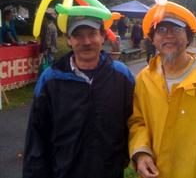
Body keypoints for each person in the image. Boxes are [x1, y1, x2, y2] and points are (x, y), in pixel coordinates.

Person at [128, 9, 196, 177]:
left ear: (189, 37)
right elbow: (138, 121)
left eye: (176, 29)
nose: (169, 35)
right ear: (153, 38)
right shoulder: (145, 78)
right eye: (161, 29)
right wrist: (141, 152)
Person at [23, 16, 135, 178]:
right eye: (78, 35)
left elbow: (133, 122)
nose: (86, 41)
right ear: (68, 39)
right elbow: (37, 136)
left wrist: (124, 157)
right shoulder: (51, 79)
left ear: (103, 36)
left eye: (92, 33)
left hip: (109, 172)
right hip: (63, 172)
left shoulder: (121, 75)